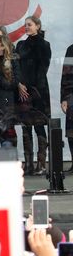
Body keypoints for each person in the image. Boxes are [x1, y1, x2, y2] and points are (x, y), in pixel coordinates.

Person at [16, 15, 51, 176]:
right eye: (25, 25)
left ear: (37, 26)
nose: (27, 27)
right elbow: (15, 66)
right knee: (25, 127)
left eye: (29, 25)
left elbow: (43, 68)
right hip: (22, 90)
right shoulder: (21, 45)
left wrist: (31, 87)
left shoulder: (44, 45)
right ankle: (29, 163)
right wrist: (19, 83)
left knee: (39, 126)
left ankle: (42, 164)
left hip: (38, 91)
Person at [60, 43, 73, 172]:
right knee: (71, 131)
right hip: (72, 94)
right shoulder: (71, 49)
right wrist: (64, 98)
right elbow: (66, 74)